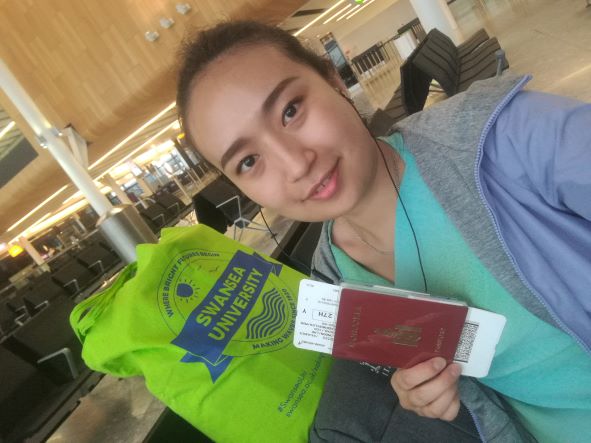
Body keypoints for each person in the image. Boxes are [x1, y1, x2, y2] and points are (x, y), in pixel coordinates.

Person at [176, 21, 591, 443]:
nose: (296, 164)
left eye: (290, 110)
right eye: (248, 161)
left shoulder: (503, 140)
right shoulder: (336, 282)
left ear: (334, 80)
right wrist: (424, 393)